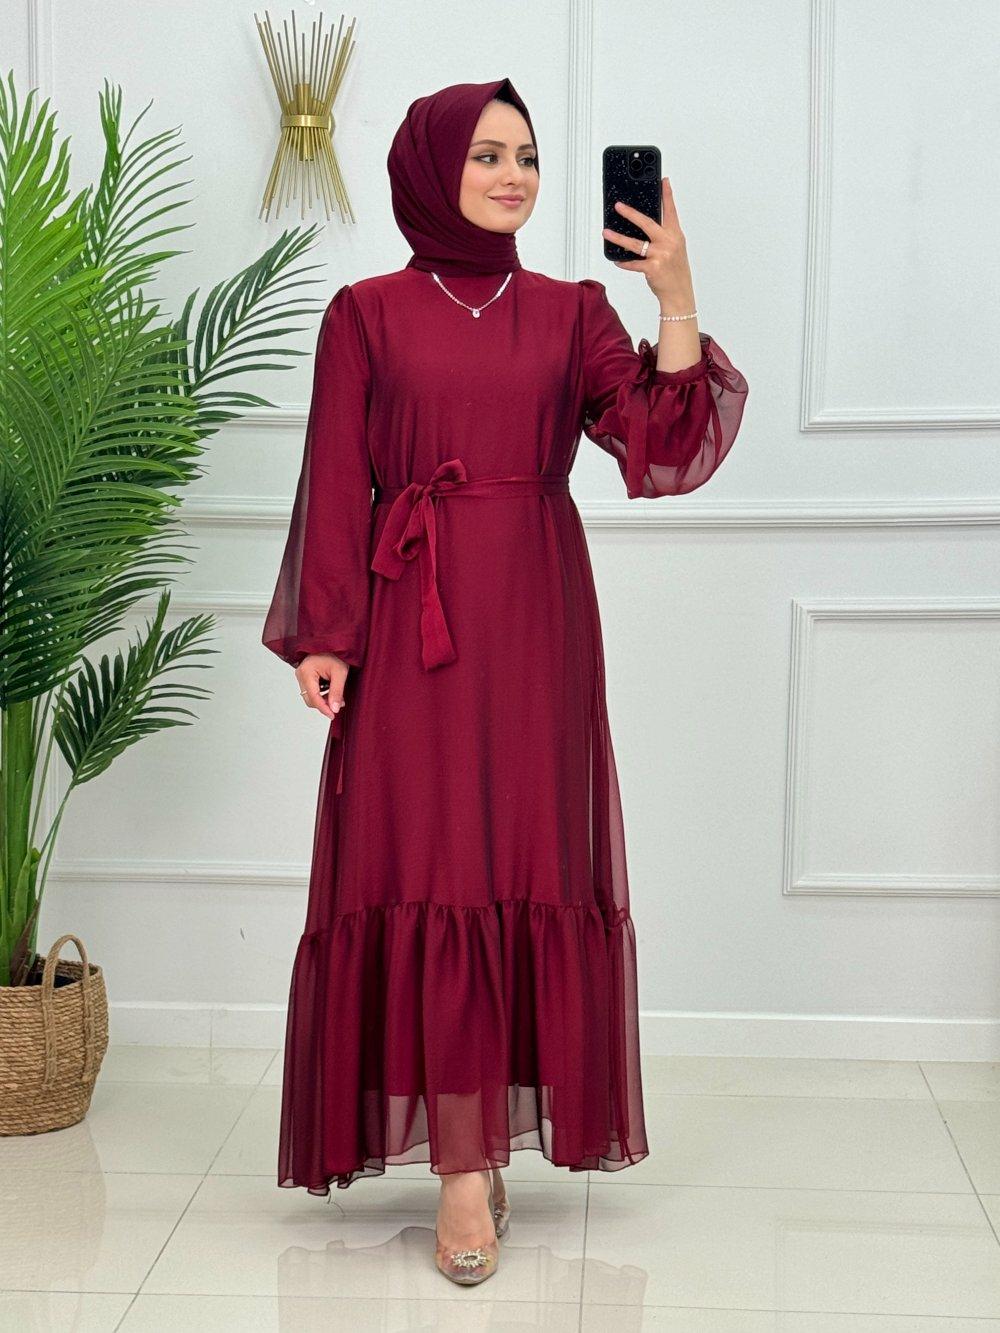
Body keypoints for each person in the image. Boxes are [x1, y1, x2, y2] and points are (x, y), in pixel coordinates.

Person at [262, 76, 748, 1286]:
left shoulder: (569, 311)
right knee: (425, 864)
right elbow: (335, 476)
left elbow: (661, 439)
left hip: (535, 619)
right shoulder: (365, 314)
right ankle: (461, 1173)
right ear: (434, 168)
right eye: (485, 154)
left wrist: (672, 291)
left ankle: (479, 1147)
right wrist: (325, 633)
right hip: (408, 613)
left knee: (522, 861)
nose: (512, 175)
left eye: (525, 155)